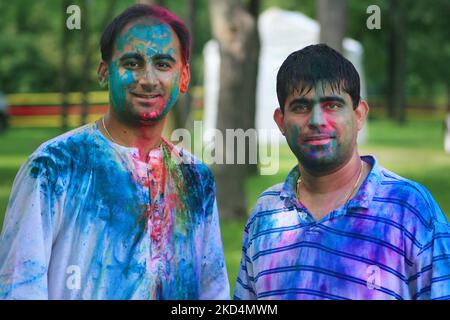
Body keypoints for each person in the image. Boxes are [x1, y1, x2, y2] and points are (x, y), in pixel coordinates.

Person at [0, 4, 229, 300]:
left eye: (162, 64)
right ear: (104, 72)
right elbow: (20, 286)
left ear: (183, 77)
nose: (148, 79)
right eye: (132, 63)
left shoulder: (195, 178)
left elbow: (213, 290)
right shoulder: (53, 167)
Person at [234, 44, 450, 300]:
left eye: (332, 105)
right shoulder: (266, 213)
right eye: (301, 107)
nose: (316, 120)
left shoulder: (410, 209)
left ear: (359, 115)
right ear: (281, 121)